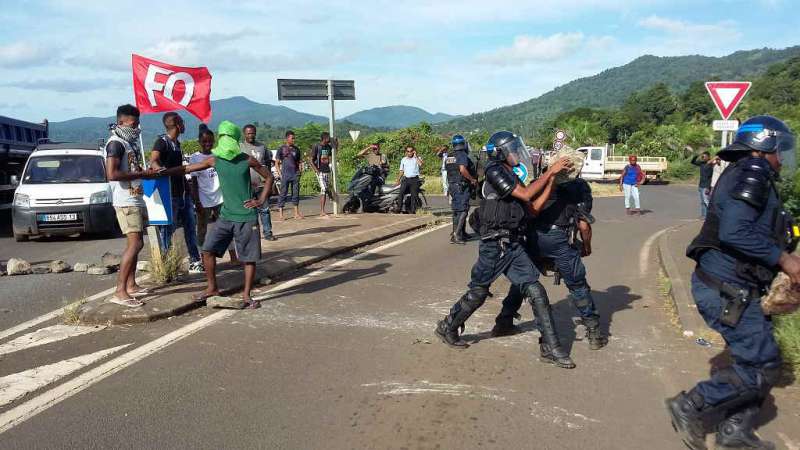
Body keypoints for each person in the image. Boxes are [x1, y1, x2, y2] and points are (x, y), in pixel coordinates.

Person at [666, 115, 800, 450]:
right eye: (778, 150)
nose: (781, 159)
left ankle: (735, 432)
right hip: (726, 288)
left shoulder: (749, 175)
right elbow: (734, 232)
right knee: (763, 364)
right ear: (762, 146)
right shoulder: (752, 174)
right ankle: (691, 405)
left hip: (736, 285)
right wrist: (785, 260)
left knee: (759, 359)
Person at [435, 130, 576, 369]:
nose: (516, 153)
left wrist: (552, 180)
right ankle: (448, 327)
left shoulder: (512, 174)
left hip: (511, 243)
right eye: (512, 149)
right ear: (500, 152)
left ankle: (550, 348)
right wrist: (549, 171)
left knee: (536, 291)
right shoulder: (494, 171)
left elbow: (533, 208)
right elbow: (526, 193)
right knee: (478, 292)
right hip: (494, 244)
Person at [492, 176, 608, 351]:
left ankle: (504, 321)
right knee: (577, 285)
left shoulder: (541, 181)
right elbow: (584, 226)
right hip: (559, 240)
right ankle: (594, 333)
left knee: (524, 280)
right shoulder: (579, 187)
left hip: (533, 237)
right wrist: (586, 247)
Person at [184, 121, 273, 309]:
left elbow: (269, 177)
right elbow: (188, 169)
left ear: (234, 139)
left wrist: (260, 200)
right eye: (222, 137)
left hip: (246, 216)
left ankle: (247, 296)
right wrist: (159, 172)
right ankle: (212, 288)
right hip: (226, 216)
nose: (224, 140)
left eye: (227, 137)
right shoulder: (215, 160)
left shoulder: (247, 159)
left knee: (248, 258)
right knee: (207, 250)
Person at [104, 104, 158, 307]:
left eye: (138, 124)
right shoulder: (115, 144)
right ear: (121, 122)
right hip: (125, 201)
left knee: (136, 243)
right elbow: (112, 174)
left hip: (135, 197)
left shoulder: (128, 143)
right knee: (135, 243)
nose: (136, 128)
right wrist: (142, 174)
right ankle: (120, 291)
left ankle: (131, 284)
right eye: (133, 124)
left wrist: (141, 172)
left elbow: (130, 169)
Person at [149, 112, 203, 273]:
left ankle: (195, 261)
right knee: (167, 231)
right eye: (183, 122)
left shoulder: (176, 144)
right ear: (177, 124)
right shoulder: (162, 142)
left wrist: (188, 190)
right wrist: (160, 170)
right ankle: (168, 266)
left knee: (190, 228)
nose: (185, 125)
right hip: (169, 194)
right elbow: (153, 160)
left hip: (183, 194)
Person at [189, 125, 238, 262]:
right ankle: (204, 259)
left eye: (210, 141)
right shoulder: (195, 158)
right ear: (199, 142)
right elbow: (194, 182)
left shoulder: (218, 154)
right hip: (203, 200)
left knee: (227, 228)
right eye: (204, 141)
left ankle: (233, 256)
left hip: (221, 199)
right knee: (202, 230)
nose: (207, 144)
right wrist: (197, 201)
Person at [240, 124, 276, 240]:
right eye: (248, 133)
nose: (251, 135)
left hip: (261, 184)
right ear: (244, 134)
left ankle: (268, 233)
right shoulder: (239, 147)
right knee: (250, 211)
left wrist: (268, 180)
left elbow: (267, 162)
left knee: (264, 210)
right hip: (247, 185)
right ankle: (253, 234)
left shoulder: (262, 147)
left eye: (253, 133)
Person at [445, 135, 478, 244]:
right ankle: (456, 235)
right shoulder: (462, 155)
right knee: (463, 210)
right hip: (461, 185)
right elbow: (462, 169)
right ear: (463, 144)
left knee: (456, 210)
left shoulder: (449, 156)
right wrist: (472, 179)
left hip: (452, 185)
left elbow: (449, 171)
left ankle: (461, 233)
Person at [276, 130, 303, 220]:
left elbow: (299, 162)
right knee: (283, 194)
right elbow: (277, 163)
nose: (294, 140)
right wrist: (280, 174)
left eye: (294, 138)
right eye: (292, 138)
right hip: (285, 175)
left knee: (295, 194)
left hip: (295, 174)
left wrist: (300, 172)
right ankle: (281, 215)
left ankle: (296, 213)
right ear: (287, 138)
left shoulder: (296, 149)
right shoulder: (281, 149)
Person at [310, 132, 335, 217]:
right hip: (320, 171)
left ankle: (329, 195)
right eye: (329, 138)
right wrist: (317, 171)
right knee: (323, 189)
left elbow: (334, 153)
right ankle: (322, 211)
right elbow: (311, 160)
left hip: (327, 171)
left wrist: (336, 142)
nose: (329, 140)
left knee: (326, 188)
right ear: (325, 138)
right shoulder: (317, 146)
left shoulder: (328, 147)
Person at [397, 145, 423, 214]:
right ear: (406, 152)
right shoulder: (403, 159)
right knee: (401, 193)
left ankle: (412, 210)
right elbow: (401, 171)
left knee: (413, 195)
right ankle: (399, 208)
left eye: (411, 151)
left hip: (414, 179)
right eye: (408, 151)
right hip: (406, 179)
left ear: (413, 151)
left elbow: (420, 164)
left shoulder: (417, 158)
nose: (409, 153)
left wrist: (416, 156)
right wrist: (398, 180)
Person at [691, 151, 716, 218]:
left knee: (706, 201)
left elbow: (710, 177)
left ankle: (711, 215)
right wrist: (697, 155)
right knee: (703, 202)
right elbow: (693, 161)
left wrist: (708, 187)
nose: (703, 158)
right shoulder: (701, 163)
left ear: (708, 157)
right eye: (702, 156)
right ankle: (704, 215)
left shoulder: (710, 165)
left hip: (706, 186)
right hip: (701, 185)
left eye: (704, 156)